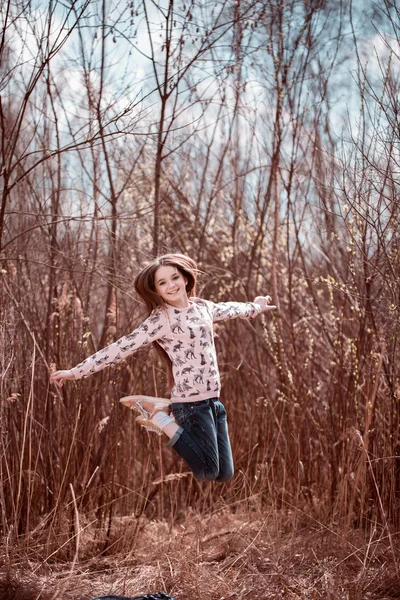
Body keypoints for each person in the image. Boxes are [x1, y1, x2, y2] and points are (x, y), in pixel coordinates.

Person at [50, 254, 276, 482]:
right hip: (191, 405)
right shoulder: (161, 320)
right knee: (207, 471)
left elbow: (230, 309)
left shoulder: (203, 307)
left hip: (213, 401)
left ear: (185, 279)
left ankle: (162, 413)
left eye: (174, 278)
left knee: (224, 474)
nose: (171, 285)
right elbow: (120, 347)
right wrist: (75, 372)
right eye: (162, 282)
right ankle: (160, 418)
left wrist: (255, 306)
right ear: (156, 291)